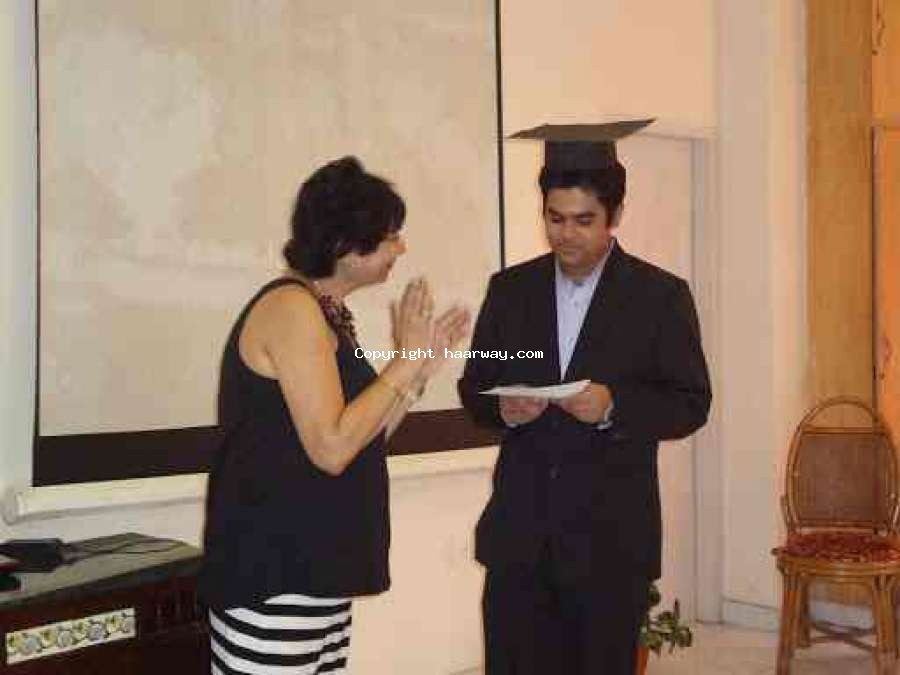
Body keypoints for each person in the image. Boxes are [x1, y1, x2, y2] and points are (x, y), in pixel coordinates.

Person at [458, 120, 712, 674]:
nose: (566, 235)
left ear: (614, 215)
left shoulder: (659, 296)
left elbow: (691, 401)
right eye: (555, 219)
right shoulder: (511, 291)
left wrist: (616, 405)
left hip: (610, 545)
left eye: (583, 220)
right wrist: (502, 407)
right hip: (521, 540)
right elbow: (475, 384)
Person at [199, 156, 470, 674]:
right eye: (390, 237)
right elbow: (332, 448)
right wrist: (403, 361)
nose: (401, 248)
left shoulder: (325, 312)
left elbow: (363, 436)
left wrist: (416, 373)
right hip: (273, 578)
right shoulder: (291, 308)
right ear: (347, 246)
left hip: (314, 575)